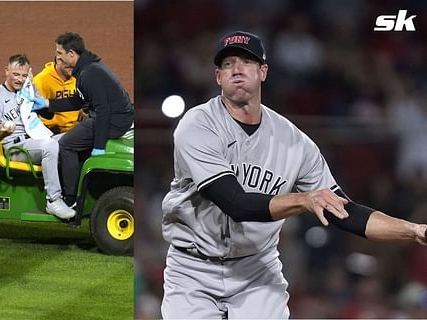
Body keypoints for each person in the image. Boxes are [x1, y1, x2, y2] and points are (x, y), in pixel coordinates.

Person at [160, 30, 427, 319]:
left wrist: (414, 230)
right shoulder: (198, 125)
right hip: (193, 267)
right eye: (228, 64)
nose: (237, 69)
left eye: (247, 62)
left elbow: (345, 213)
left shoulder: (294, 142)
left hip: (256, 270)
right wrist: (304, 200)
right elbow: (234, 202)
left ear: (263, 72)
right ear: (218, 77)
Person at [28, 32, 134, 207]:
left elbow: (103, 110)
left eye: (60, 53)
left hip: (112, 122)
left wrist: (99, 146)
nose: (57, 57)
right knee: (76, 142)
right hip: (115, 118)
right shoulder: (88, 67)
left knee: (66, 145)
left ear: (72, 54)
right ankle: (77, 192)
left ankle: (70, 199)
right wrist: (47, 103)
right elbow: (78, 100)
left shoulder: (89, 74)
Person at [0, 54, 75, 219]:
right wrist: (1, 133)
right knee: (50, 147)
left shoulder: (27, 90)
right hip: (14, 149)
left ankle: (72, 195)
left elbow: (49, 115)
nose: (19, 79)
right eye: (16, 74)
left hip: (35, 140)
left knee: (73, 138)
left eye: (24, 75)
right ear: (6, 71)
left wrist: (34, 92)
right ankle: (53, 200)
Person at [33, 56, 84, 135]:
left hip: (74, 129)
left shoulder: (78, 77)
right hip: (50, 131)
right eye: (69, 65)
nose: (73, 67)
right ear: (59, 60)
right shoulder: (41, 80)